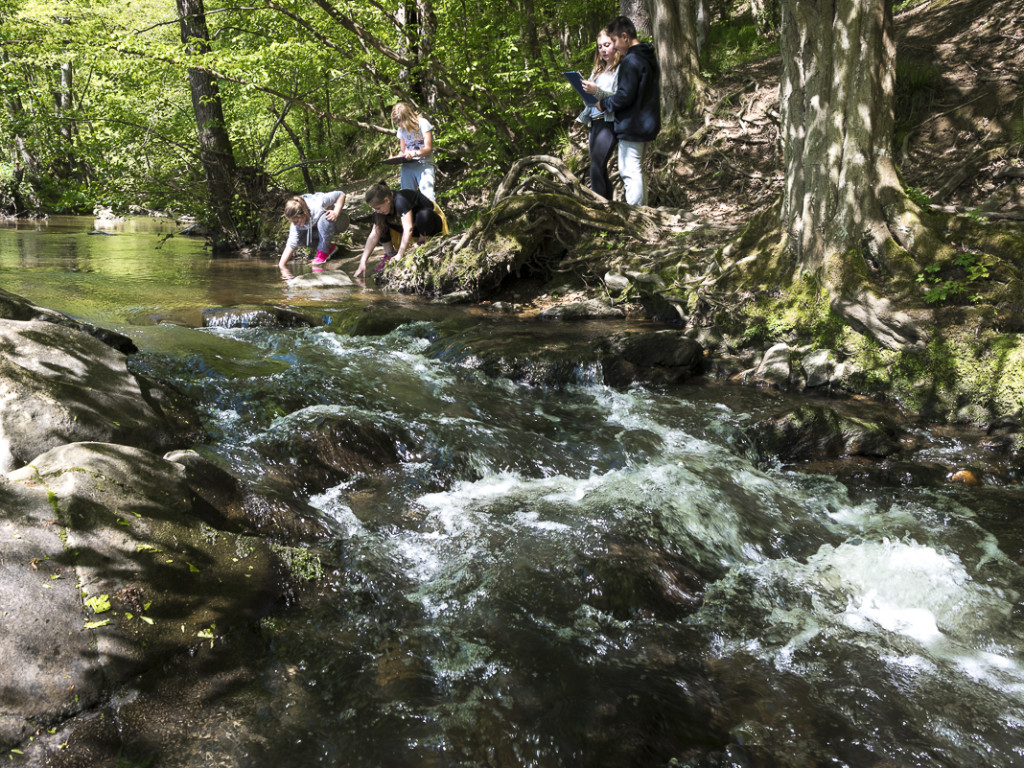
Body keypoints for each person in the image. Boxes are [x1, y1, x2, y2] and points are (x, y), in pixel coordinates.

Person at [596, 16, 661, 206]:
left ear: (625, 36)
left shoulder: (631, 61)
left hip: (633, 125)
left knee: (629, 171)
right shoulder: (647, 56)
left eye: (614, 41)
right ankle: (644, 214)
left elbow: (624, 96)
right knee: (637, 170)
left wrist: (604, 104)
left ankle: (636, 218)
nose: (614, 47)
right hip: (645, 123)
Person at [354, 181, 448, 279]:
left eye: (378, 208)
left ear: (387, 200)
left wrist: (400, 254)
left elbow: (408, 228)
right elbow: (374, 234)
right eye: (374, 209)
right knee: (379, 222)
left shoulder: (401, 200)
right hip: (411, 230)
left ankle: (422, 243)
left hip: (431, 224)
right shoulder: (381, 210)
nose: (377, 211)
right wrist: (363, 262)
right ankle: (389, 254)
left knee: (424, 214)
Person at [580, 31, 621, 200]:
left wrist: (596, 92)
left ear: (615, 45)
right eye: (599, 47)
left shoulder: (620, 69)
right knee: (600, 168)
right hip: (594, 124)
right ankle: (608, 207)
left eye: (606, 45)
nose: (603, 50)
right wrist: (584, 91)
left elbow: (618, 97)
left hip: (608, 122)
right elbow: (589, 101)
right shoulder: (597, 71)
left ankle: (601, 208)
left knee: (596, 168)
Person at [278, 190, 347, 269]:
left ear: (304, 213)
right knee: (298, 239)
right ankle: (330, 248)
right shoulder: (296, 225)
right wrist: (281, 266)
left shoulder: (318, 202)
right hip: (319, 228)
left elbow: (341, 194)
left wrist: (336, 212)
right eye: (292, 222)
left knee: (325, 219)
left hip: (339, 221)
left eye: (296, 221)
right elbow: (291, 245)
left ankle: (322, 253)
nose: (295, 224)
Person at [391, 102, 436, 200]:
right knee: (406, 198)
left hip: (424, 163)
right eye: (397, 122)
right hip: (407, 166)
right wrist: (398, 157)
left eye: (400, 121)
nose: (399, 124)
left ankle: (432, 214)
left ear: (407, 117)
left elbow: (428, 148)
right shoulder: (401, 130)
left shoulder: (423, 123)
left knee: (428, 197)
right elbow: (403, 150)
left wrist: (414, 153)